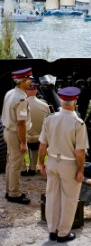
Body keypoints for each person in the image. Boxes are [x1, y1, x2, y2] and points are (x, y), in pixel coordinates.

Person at [38, 86, 89, 243]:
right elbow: (80, 153)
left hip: (52, 161)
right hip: (69, 164)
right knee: (69, 199)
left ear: (61, 100)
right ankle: (63, 233)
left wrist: (41, 164)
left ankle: (52, 231)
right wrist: (81, 170)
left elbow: (42, 147)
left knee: (52, 196)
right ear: (75, 101)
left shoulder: (49, 119)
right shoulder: (78, 123)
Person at [1, 67, 34, 205]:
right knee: (16, 164)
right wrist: (23, 142)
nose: (30, 82)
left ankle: (10, 190)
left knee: (10, 162)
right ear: (22, 81)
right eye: (28, 79)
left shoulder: (10, 93)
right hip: (15, 133)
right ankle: (14, 193)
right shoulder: (21, 99)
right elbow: (21, 124)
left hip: (7, 131)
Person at [21, 82, 51, 177]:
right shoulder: (45, 106)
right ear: (36, 91)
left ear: (25, 91)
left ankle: (23, 169)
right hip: (39, 138)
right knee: (35, 144)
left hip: (24, 139)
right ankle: (33, 168)